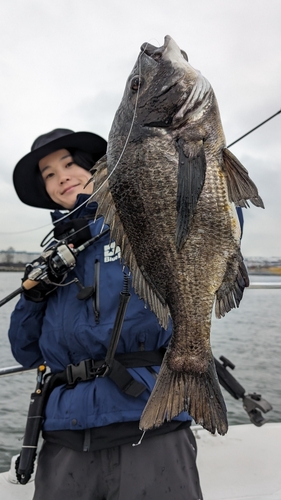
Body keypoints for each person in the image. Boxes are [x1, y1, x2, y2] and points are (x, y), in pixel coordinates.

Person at [9, 128, 203, 500]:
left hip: (150, 421)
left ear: (96, 168)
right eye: (48, 174)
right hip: (65, 434)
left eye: (69, 164)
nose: (61, 176)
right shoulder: (47, 262)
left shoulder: (143, 221)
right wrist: (35, 296)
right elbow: (26, 352)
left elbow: (211, 224)